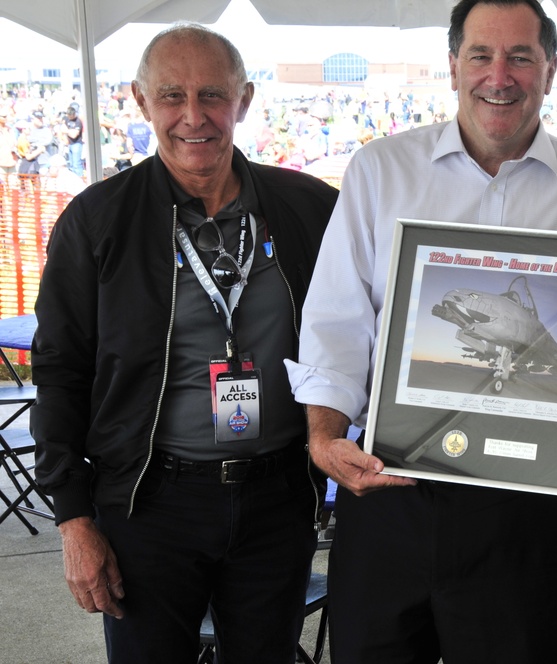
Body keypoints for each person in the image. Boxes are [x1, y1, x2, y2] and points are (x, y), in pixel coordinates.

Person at [285, 1, 557, 662]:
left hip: (528, 508)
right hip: (392, 486)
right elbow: (338, 316)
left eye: (521, 56)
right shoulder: (381, 170)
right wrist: (322, 435)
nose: (501, 75)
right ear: (453, 64)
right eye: (482, 56)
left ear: (549, 69)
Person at [31, 23, 338, 663]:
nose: (193, 117)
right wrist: (74, 520)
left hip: (276, 499)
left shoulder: (309, 209)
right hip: (149, 505)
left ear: (244, 100)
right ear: (140, 102)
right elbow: (59, 372)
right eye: (171, 96)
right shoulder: (97, 221)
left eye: (212, 95)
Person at [63, 103, 85, 177]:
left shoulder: (78, 121)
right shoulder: (66, 119)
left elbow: (74, 135)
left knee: (76, 164)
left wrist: (67, 131)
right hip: (69, 144)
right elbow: (62, 129)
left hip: (77, 144)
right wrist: (68, 132)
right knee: (71, 165)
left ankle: (79, 178)